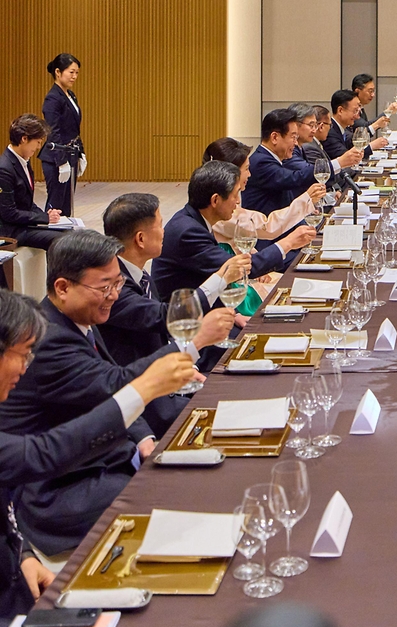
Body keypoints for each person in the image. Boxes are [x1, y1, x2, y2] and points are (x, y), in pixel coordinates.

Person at [0, 230, 233, 557]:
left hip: (101, 456)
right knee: (185, 496)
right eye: (104, 287)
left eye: (117, 284)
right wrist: (192, 343)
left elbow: (101, 388)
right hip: (57, 487)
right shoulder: (47, 338)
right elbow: (116, 382)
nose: (113, 295)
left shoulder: (77, 317)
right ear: (63, 287)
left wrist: (142, 438)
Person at [0, 289, 196, 625]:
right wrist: (143, 388)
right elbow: (43, 453)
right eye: (23, 355)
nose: (25, 367)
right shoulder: (58, 342)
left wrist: (23, 555)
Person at [100, 193, 250, 366]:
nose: (164, 232)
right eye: (160, 225)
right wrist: (220, 278)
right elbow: (165, 317)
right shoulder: (114, 287)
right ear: (140, 239)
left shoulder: (139, 274)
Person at [152, 161, 315, 301]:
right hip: (186, 318)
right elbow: (240, 269)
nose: (238, 202)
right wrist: (288, 243)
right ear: (215, 200)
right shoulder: (188, 232)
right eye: (235, 194)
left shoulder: (195, 219)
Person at [203, 137, 324, 248]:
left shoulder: (225, 193)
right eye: (246, 169)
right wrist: (306, 200)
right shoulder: (220, 204)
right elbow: (268, 227)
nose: (249, 174)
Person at [0, 115, 64, 250]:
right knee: (61, 240)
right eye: (38, 142)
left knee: (70, 233)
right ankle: (57, 272)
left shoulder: (23, 160)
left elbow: (26, 201)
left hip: (22, 224)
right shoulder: (4, 168)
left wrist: (47, 216)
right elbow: (8, 213)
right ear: (24, 138)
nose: (39, 147)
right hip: (10, 231)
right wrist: (44, 218)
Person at [241, 109, 316, 215]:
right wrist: (337, 163)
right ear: (275, 137)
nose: (295, 143)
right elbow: (294, 178)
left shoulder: (274, 159)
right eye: (293, 137)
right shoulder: (261, 162)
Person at [37, 54, 84, 216]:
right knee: (56, 205)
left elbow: (73, 128)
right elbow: (52, 131)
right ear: (58, 72)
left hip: (70, 153)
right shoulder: (53, 98)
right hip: (56, 158)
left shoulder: (71, 95)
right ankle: (48, 238)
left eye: (77, 73)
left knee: (67, 204)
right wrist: (61, 161)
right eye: (71, 72)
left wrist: (81, 152)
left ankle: (64, 238)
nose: (74, 76)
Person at [322, 90, 388, 168]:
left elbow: (353, 143)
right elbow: (346, 157)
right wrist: (372, 145)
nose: (357, 116)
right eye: (355, 111)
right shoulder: (330, 131)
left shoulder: (344, 129)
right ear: (340, 110)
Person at [303, 105, 362, 191]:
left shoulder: (317, 143)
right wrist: (343, 161)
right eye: (330, 126)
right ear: (321, 126)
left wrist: (336, 190)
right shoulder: (309, 147)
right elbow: (319, 177)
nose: (330, 129)